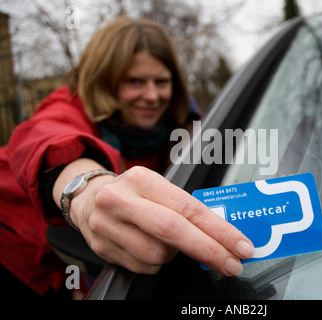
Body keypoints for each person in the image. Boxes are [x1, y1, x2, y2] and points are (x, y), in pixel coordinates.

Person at [0, 16, 254, 299]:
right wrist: (88, 191)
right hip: (16, 253)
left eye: (161, 81)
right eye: (134, 81)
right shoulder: (69, 107)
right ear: (105, 82)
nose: (152, 95)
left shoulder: (180, 130)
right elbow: (45, 138)